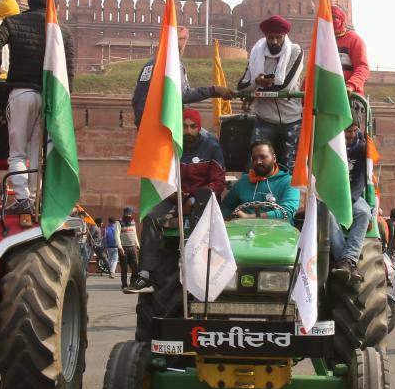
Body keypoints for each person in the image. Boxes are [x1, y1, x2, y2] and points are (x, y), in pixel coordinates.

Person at [0, 0, 75, 214]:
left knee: (17, 153)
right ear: (51, 6)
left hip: (21, 93)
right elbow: (70, 70)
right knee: (38, 152)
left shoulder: (13, 22)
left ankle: (23, 199)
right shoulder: (62, 32)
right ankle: (35, 199)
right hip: (48, 99)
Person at [127, 109, 227, 294]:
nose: (188, 131)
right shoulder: (169, 145)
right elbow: (159, 175)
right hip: (174, 197)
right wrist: (171, 192)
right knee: (151, 216)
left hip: (202, 199)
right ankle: (145, 273)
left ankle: (202, 268)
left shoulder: (211, 146)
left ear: (199, 128)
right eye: (184, 126)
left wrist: (195, 197)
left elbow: (218, 182)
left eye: (192, 126)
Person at [236, 15, 304, 171]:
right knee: (256, 166)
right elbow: (242, 85)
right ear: (265, 36)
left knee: (289, 168)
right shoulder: (256, 53)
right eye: (270, 37)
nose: (274, 41)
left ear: (284, 36)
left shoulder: (295, 51)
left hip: (291, 120)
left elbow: (285, 86)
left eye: (278, 38)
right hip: (264, 120)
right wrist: (257, 82)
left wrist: (255, 89)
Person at [131, 26, 233, 128]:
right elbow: (183, 95)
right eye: (183, 41)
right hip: (162, 125)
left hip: (146, 124)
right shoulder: (171, 63)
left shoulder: (152, 63)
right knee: (209, 142)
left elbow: (137, 98)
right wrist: (214, 90)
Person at [329, 121, 372, 286]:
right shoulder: (329, 147)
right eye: (348, 131)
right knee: (328, 216)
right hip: (328, 196)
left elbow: (360, 181)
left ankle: (348, 259)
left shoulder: (361, 149)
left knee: (364, 212)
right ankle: (345, 261)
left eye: (354, 131)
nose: (352, 135)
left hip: (351, 196)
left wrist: (348, 201)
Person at [221, 140, 300, 222]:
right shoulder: (244, 180)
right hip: (243, 229)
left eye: (263, 157)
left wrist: (249, 217)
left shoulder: (289, 181)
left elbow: (287, 213)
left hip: (277, 230)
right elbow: (226, 207)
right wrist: (228, 219)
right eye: (254, 159)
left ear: (274, 158)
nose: (258, 162)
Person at [330, 5, 369, 95]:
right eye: (328, 17)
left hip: (349, 96)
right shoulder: (322, 42)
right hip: (325, 94)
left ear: (342, 19)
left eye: (334, 17)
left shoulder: (354, 40)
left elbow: (362, 67)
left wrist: (351, 85)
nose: (330, 21)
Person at [118, 207, 140, 290]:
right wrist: (120, 248)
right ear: (124, 214)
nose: (128, 215)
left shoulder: (133, 222)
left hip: (132, 247)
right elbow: (117, 236)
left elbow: (134, 234)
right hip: (123, 247)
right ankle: (124, 284)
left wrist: (137, 244)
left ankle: (133, 282)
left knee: (135, 266)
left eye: (129, 214)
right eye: (127, 214)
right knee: (124, 268)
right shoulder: (119, 222)